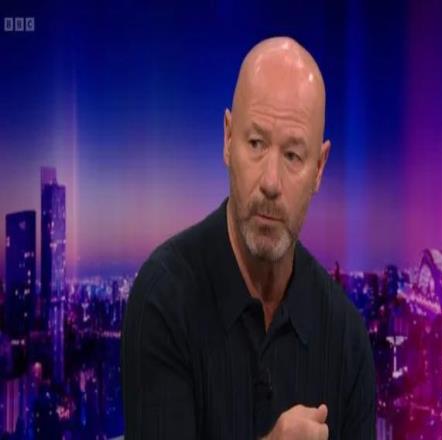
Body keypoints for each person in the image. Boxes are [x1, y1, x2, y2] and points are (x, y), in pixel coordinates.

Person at [121, 37, 376, 439]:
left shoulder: (346, 337)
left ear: (319, 168)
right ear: (227, 140)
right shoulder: (164, 298)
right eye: (256, 144)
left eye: (292, 155)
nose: (270, 182)